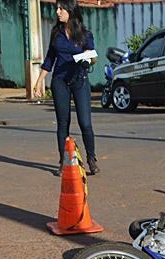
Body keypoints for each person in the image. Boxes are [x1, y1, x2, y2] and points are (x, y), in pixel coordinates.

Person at [32, 0, 99, 175]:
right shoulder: (56, 34)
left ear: (70, 10)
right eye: (57, 8)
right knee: (63, 124)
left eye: (61, 8)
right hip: (60, 82)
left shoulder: (85, 34)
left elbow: (94, 57)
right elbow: (49, 60)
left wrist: (88, 57)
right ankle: (63, 161)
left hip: (80, 81)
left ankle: (91, 159)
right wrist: (39, 81)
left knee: (85, 123)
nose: (57, 12)